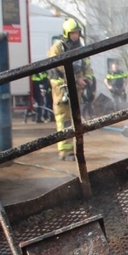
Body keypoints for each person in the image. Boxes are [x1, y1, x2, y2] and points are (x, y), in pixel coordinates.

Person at [47, 18, 94, 161]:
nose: (75, 35)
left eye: (77, 33)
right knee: (65, 120)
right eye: (73, 33)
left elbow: (86, 64)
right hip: (62, 88)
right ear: (66, 33)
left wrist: (88, 78)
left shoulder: (80, 47)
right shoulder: (58, 47)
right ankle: (65, 152)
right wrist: (75, 79)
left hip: (76, 88)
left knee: (76, 120)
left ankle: (77, 150)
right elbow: (58, 69)